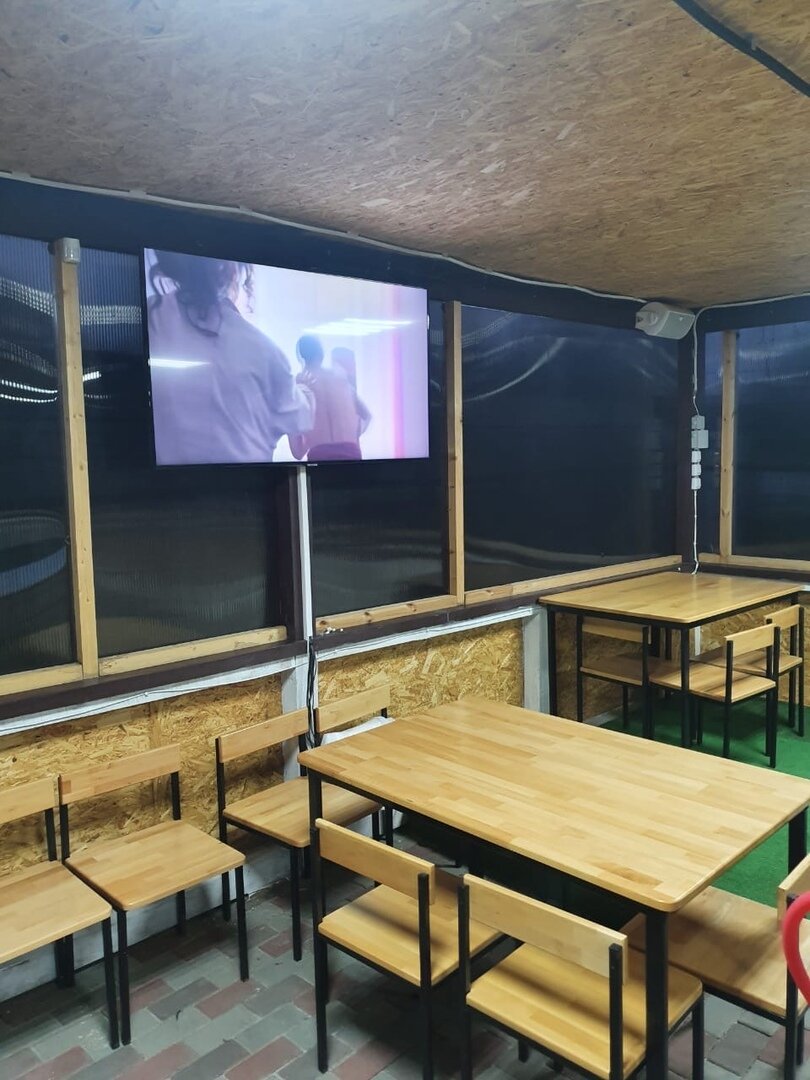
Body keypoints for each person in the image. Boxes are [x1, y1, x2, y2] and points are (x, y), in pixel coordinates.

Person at [147, 251, 313, 464]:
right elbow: (299, 433)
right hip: (247, 483)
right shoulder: (263, 352)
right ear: (232, 270)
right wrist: (307, 394)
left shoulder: (149, 318)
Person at [289, 336, 371, 462]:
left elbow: (297, 452)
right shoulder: (341, 379)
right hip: (352, 454)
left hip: (321, 458)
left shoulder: (298, 387)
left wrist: (311, 438)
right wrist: (352, 434)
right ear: (321, 354)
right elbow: (367, 416)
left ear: (300, 357)